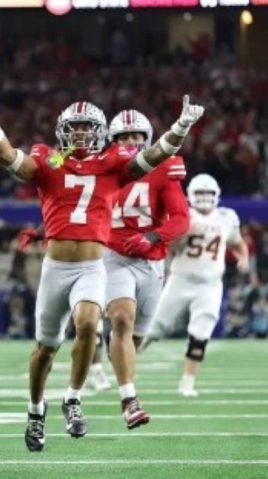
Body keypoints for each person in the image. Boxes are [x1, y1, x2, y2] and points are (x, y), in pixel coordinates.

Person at [0, 75, 204, 451]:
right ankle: (35, 408)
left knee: (90, 324)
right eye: (73, 129)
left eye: (86, 129)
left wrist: (180, 127)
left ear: (98, 133)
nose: (79, 135)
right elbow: (10, 159)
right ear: (63, 132)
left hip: (94, 266)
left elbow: (153, 156)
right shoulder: (50, 159)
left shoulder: (112, 164)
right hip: (55, 268)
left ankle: (73, 398)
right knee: (45, 348)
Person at [102, 109, 189, 428]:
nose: (131, 142)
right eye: (124, 137)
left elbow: (181, 219)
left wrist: (152, 236)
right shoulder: (102, 168)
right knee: (123, 321)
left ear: (149, 140)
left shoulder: (164, 168)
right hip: (112, 256)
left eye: (137, 136)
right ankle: (129, 400)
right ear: (111, 141)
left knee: (132, 339)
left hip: (151, 261)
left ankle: (111, 352)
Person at [144, 174, 248, 397]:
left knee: (200, 334)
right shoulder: (183, 216)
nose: (204, 198)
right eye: (199, 193)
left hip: (210, 285)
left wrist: (243, 258)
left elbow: (238, 243)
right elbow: (167, 248)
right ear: (190, 195)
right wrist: (182, 233)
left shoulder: (227, 217)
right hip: (180, 279)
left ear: (216, 195)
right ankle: (124, 364)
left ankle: (187, 383)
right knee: (153, 329)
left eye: (208, 193)